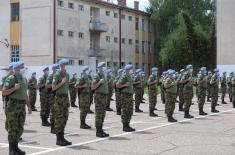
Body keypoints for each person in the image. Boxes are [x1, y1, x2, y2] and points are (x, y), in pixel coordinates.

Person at [2, 61, 32, 155]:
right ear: (15, 68)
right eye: (19, 67)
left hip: (21, 105)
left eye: (21, 67)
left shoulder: (23, 78)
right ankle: (11, 150)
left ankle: (16, 148)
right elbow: (4, 92)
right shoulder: (11, 78)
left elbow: (24, 93)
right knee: (12, 128)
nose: (21, 69)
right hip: (13, 106)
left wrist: (29, 106)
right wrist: (14, 88)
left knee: (19, 127)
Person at [52, 59, 72, 146]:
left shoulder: (67, 74)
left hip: (65, 97)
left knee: (64, 118)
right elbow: (53, 88)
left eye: (65, 65)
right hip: (59, 98)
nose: (65, 67)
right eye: (63, 65)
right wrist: (62, 82)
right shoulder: (57, 74)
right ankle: (58, 139)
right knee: (59, 118)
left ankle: (62, 137)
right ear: (60, 66)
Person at [91, 62, 109, 138]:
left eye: (103, 67)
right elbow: (93, 87)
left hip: (103, 96)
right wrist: (99, 82)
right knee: (99, 113)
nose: (102, 68)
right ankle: (98, 131)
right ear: (98, 68)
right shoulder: (96, 76)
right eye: (101, 67)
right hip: (99, 96)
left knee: (102, 114)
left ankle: (100, 129)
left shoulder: (103, 75)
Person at [116, 64, 135, 132]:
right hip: (125, 96)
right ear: (128, 70)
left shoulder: (129, 76)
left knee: (130, 111)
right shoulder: (124, 76)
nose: (132, 70)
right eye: (131, 69)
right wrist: (125, 85)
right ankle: (124, 126)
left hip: (129, 95)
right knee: (125, 110)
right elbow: (117, 85)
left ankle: (128, 124)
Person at [45, 64, 60, 134]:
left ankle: (56, 126)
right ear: (53, 69)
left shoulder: (58, 75)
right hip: (51, 95)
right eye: (57, 68)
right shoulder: (51, 76)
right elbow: (47, 85)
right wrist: (55, 84)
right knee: (53, 111)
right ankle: (52, 128)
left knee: (57, 112)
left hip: (57, 95)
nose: (58, 69)